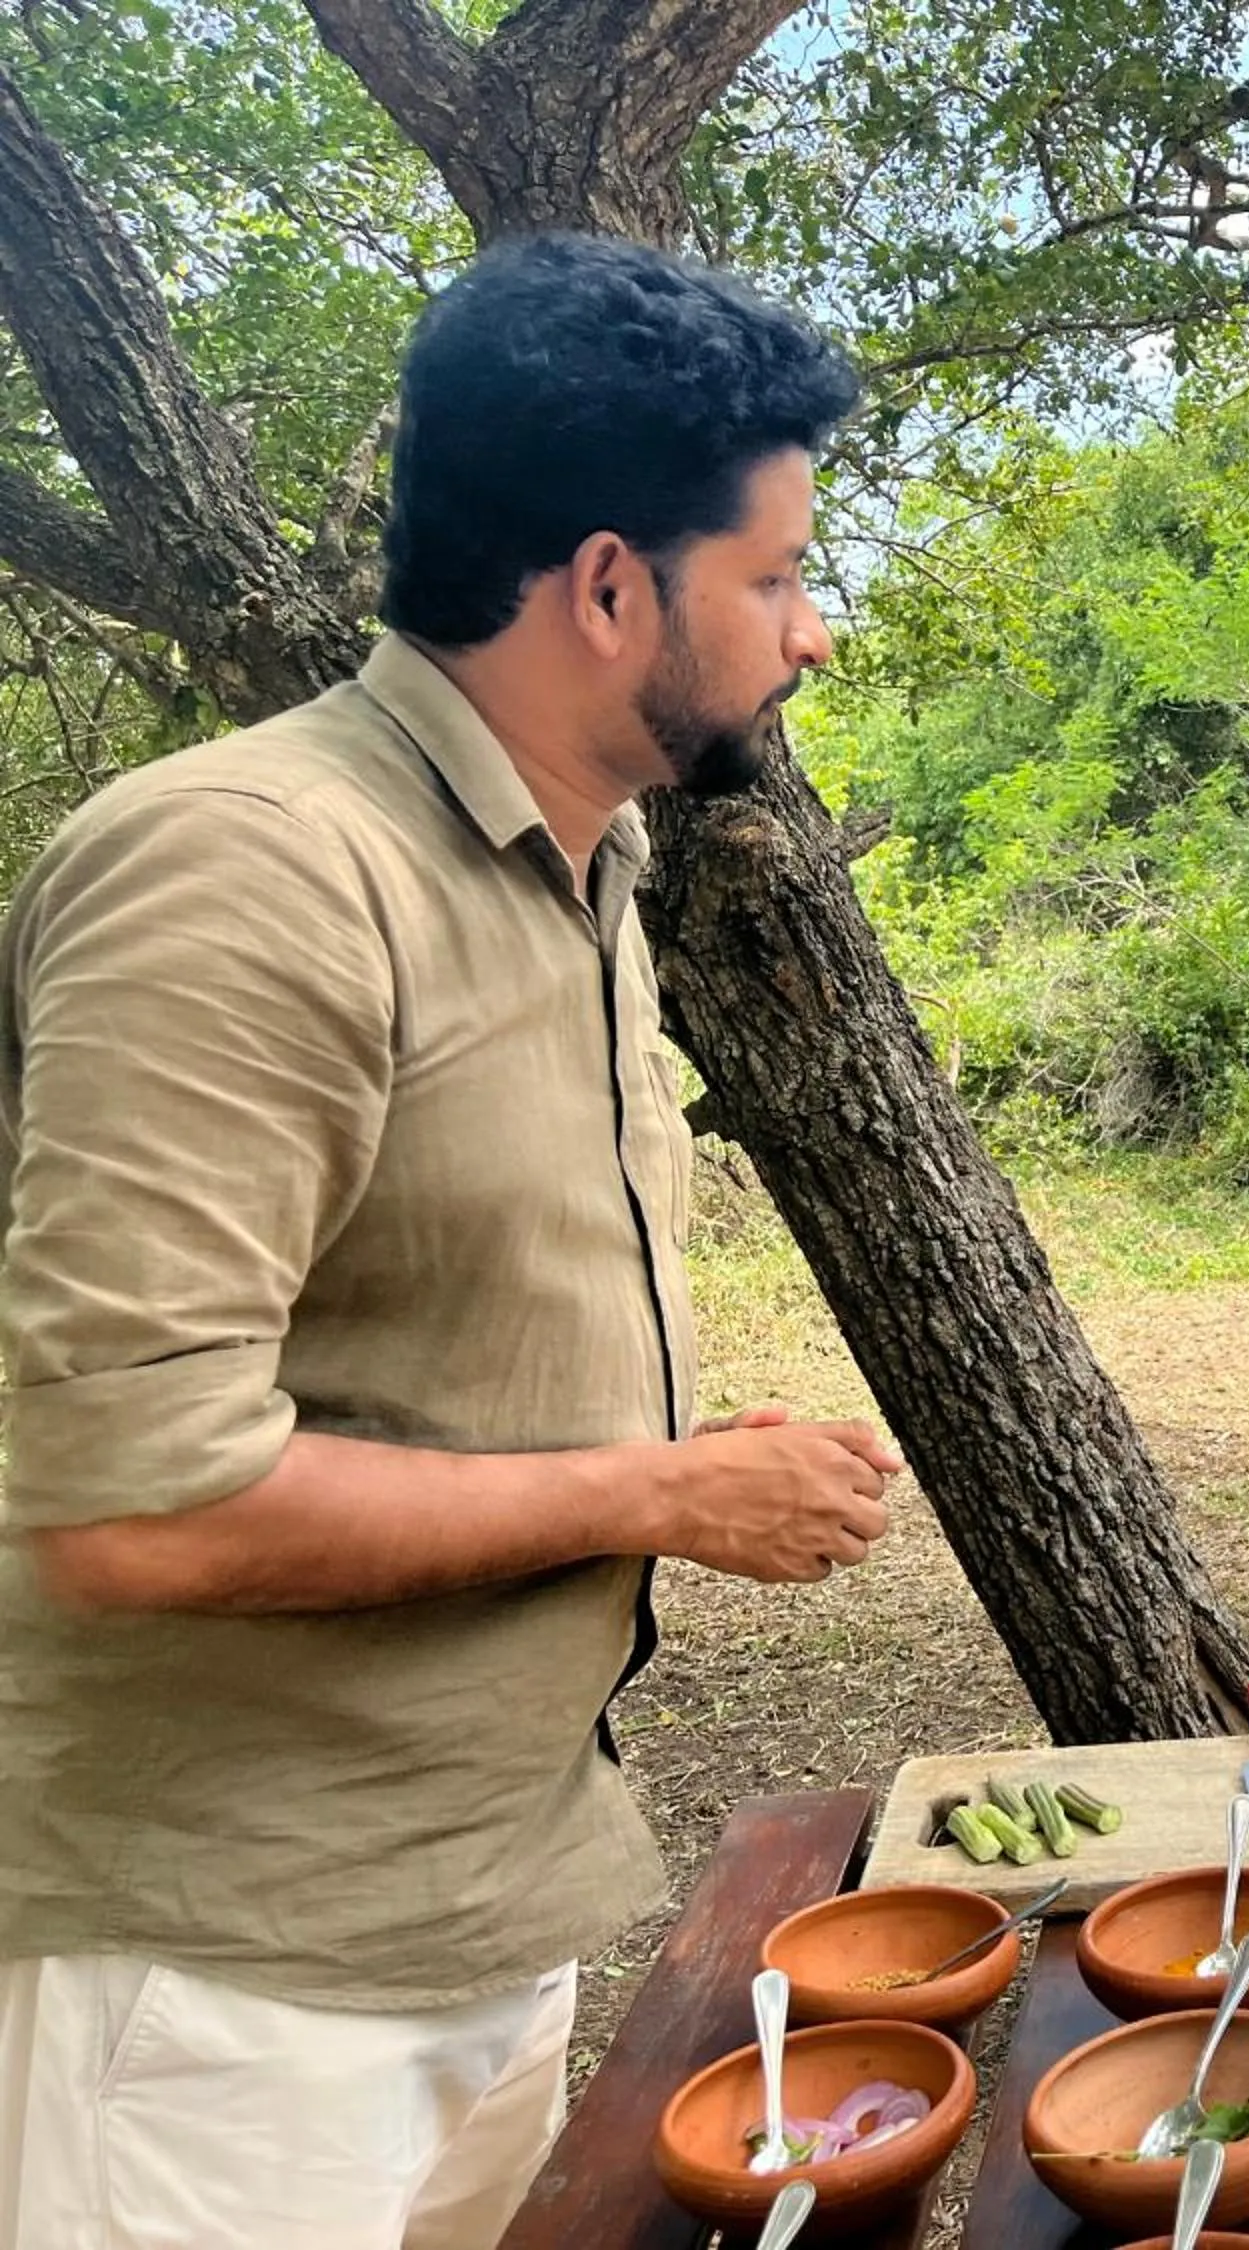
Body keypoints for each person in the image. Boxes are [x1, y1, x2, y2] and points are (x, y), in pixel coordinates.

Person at [0, 235, 905, 2250]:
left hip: (482, 1914)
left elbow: (425, 1348)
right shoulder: (252, 869)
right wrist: (662, 1492)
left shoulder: (582, 874)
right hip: (227, 1987)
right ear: (608, 587)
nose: (812, 633)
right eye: (774, 576)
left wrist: (661, 1461)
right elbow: (135, 1511)